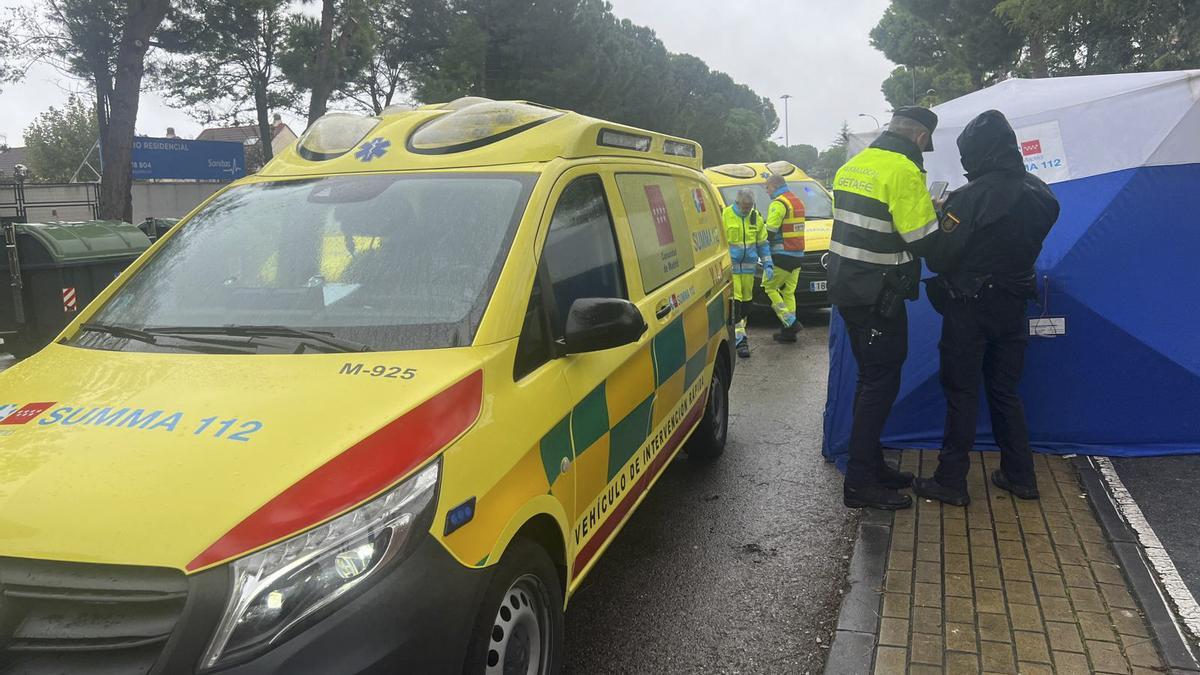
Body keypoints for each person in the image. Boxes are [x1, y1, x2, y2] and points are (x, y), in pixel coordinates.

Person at [913, 110, 1060, 506]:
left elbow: (941, 259)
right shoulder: (1042, 194)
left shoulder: (969, 198)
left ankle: (951, 481)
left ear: (975, 154)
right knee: (1005, 391)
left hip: (969, 306)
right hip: (1013, 305)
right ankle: (1020, 475)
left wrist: (939, 214)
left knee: (961, 392)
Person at [829, 106, 943, 510]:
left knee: (869, 380)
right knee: (881, 383)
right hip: (879, 296)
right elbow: (924, 241)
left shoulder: (856, 165)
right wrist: (938, 212)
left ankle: (872, 467)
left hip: (848, 289)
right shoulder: (903, 172)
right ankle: (859, 483)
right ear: (921, 138)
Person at [723, 188, 773, 358]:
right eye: (744, 206)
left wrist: (768, 264)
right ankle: (741, 341)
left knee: (746, 307)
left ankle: (737, 334)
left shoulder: (755, 217)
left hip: (749, 271)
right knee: (736, 305)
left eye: (750, 206)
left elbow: (762, 243)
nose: (747, 209)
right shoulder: (726, 215)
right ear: (737, 203)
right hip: (732, 270)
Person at [762, 173, 806, 342]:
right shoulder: (797, 201)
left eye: (767, 188)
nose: (767, 191)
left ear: (773, 186)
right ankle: (788, 333)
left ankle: (791, 322)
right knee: (788, 292)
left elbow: (770, 232)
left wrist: (760, 246)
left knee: (769, 287)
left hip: (782, 255)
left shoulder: (779, 203)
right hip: (798, 255)